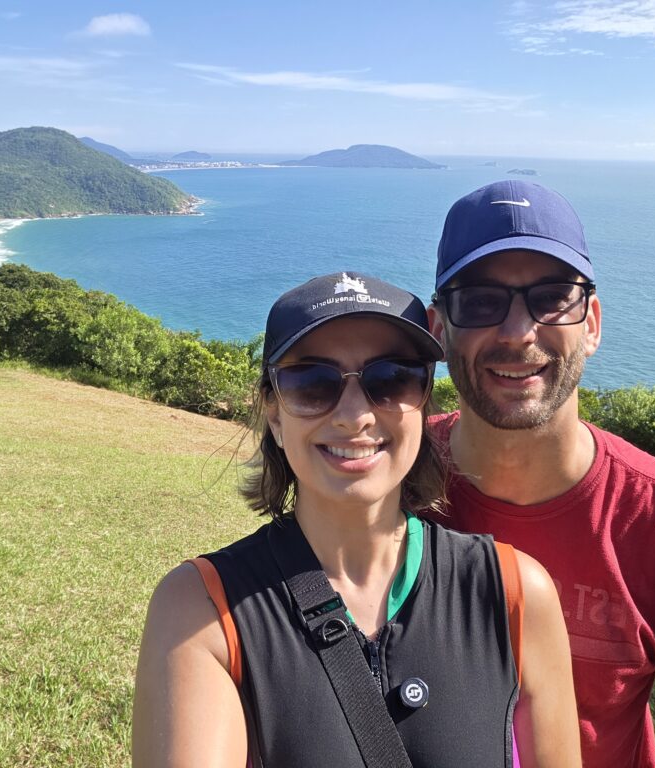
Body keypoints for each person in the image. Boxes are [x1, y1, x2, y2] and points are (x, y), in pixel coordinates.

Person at [133, 271, 580, 767]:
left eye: (391, 379)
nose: (354, 415)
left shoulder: (515, 593)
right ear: (274, 415)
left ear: (423, 401)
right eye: (312, 383)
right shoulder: (204, 611)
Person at [426, 180, 655, 767]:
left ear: (591, 322)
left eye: (550, 299)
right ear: (439, 330)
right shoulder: (384, 485)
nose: (518, 333)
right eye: (481, 301)